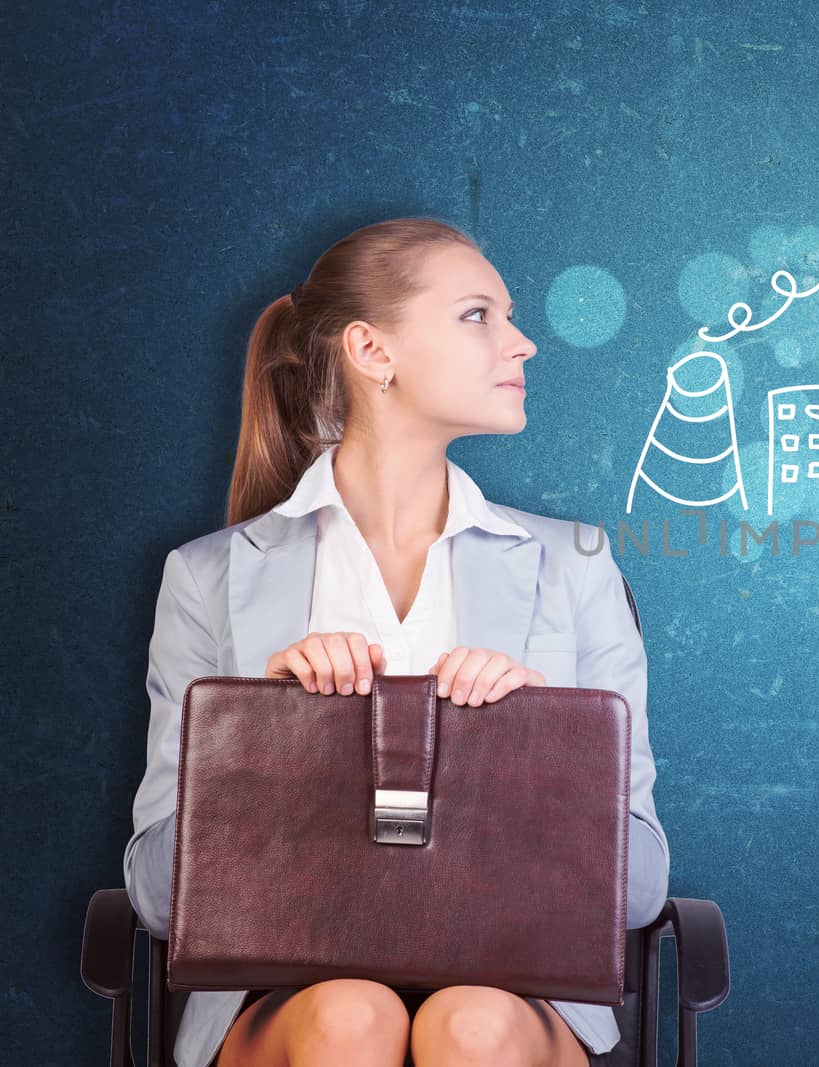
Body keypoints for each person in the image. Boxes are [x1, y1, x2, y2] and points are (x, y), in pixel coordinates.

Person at [122, 217, 668, 1066]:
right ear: (372, 351)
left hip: (516, 994)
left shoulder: (577, 565)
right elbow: (158, 895)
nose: (522, 343)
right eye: (478, 315)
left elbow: (639, 890)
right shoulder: (209, 577)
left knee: (471, 1025)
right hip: (288, 1000)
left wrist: (536, 743)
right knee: (351, 1017)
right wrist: (259, 734)